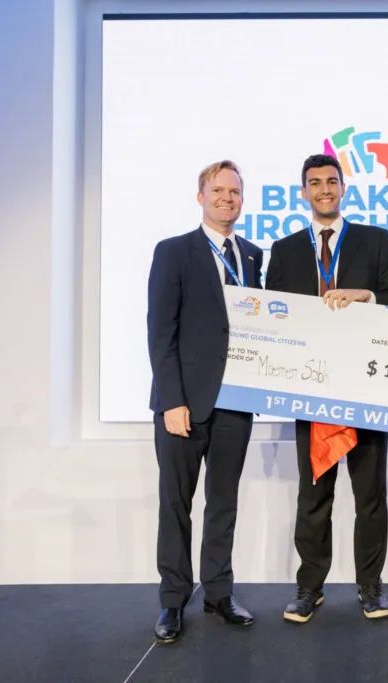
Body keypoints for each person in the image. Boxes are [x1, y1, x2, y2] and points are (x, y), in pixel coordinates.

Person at [265, 153, 388, 624]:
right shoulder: (284, 250)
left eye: (331, 181)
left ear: (343, 188)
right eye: (315, 182)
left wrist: (367, 297)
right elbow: (272, 317)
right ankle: (309, 587)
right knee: (314, 496)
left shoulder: (374, 240)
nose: (324, 189)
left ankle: (370, 585)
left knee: (370, 497)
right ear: (303, 192)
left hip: (365, 387)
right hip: (310, 390)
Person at [147, 160, 263, 644]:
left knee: (223, 504)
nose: (226, 198)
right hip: (183, 406)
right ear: (201, 197)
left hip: (235, 402)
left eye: (234, 191)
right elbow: (160, 332)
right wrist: (172, 400)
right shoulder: (174, 251)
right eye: (218, 190)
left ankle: (218, 592)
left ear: (242, 199)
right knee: (176, 505)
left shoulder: (252, 255)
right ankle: (173, 600)